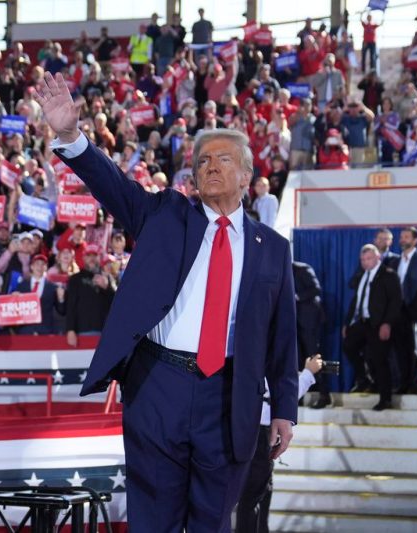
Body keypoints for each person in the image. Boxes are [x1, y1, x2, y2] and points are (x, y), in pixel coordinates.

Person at [35, 72, 298, 532]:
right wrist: (71, 135)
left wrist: (283, 410)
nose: (210, 167)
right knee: (153, 517)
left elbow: (282, 337)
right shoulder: (163, 213)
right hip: (159, 384)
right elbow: (111, 183)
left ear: (247, 175)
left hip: (230, 395)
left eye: (223, 159)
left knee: (213, 520)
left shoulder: (272, 248)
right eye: (202, 162)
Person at [235, 354, 324, 532]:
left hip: (258, 432)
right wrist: (308, 373)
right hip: (257, 434)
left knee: (259, 496)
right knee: (252, 498)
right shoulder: (258, 360)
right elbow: (283, 393)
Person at [343, 245, 402, 411]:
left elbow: (395, 301)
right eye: (362, 260)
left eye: (368, 258)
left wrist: (387, 323)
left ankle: (385, 398)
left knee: (380, 360)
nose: (365, 262)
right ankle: (364, 378)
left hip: (379, 323)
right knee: (348, 346)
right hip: (362, 322)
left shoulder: (388, 275)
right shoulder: (362, 275)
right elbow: (356, 301)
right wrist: (347, 323)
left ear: (378, 258)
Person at [386, 227, 417, 394]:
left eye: (407, 237)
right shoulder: (393, 262)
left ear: (415, 240)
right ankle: (403, 382)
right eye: (401, 237)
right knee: (400, 349)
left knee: (416, 348)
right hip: (398, 313)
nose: (403, 240)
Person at [292, 261, 329, 409]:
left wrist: (295, 297)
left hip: (309, 322)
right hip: (292, 324)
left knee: (313, 356)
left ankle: (324, 394)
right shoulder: (277, 271)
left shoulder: (302, 268)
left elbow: (316, 289)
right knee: (296, 359)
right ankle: (298, 396)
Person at [64, 244, 115, 344]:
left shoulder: (108, 278)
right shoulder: (75, 279)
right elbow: (71, 306)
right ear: (83, 258)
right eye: (88, 255)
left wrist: (107, 288)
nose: (91, 258)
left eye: (94, 255)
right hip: (82, 331)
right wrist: (70, 330)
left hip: (106, 332)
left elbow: (117, 305)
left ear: (99, 257)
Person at [14, 254, 66, 334]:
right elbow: (15, 311)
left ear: (46, 268)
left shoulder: (52, 287)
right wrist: (14, 300)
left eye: (43, 264)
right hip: (25, 330)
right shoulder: (22, 286)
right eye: (37, 264)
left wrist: (61, 299)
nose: (40, 267)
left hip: (46, 330)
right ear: (32, 267)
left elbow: (61, 311)